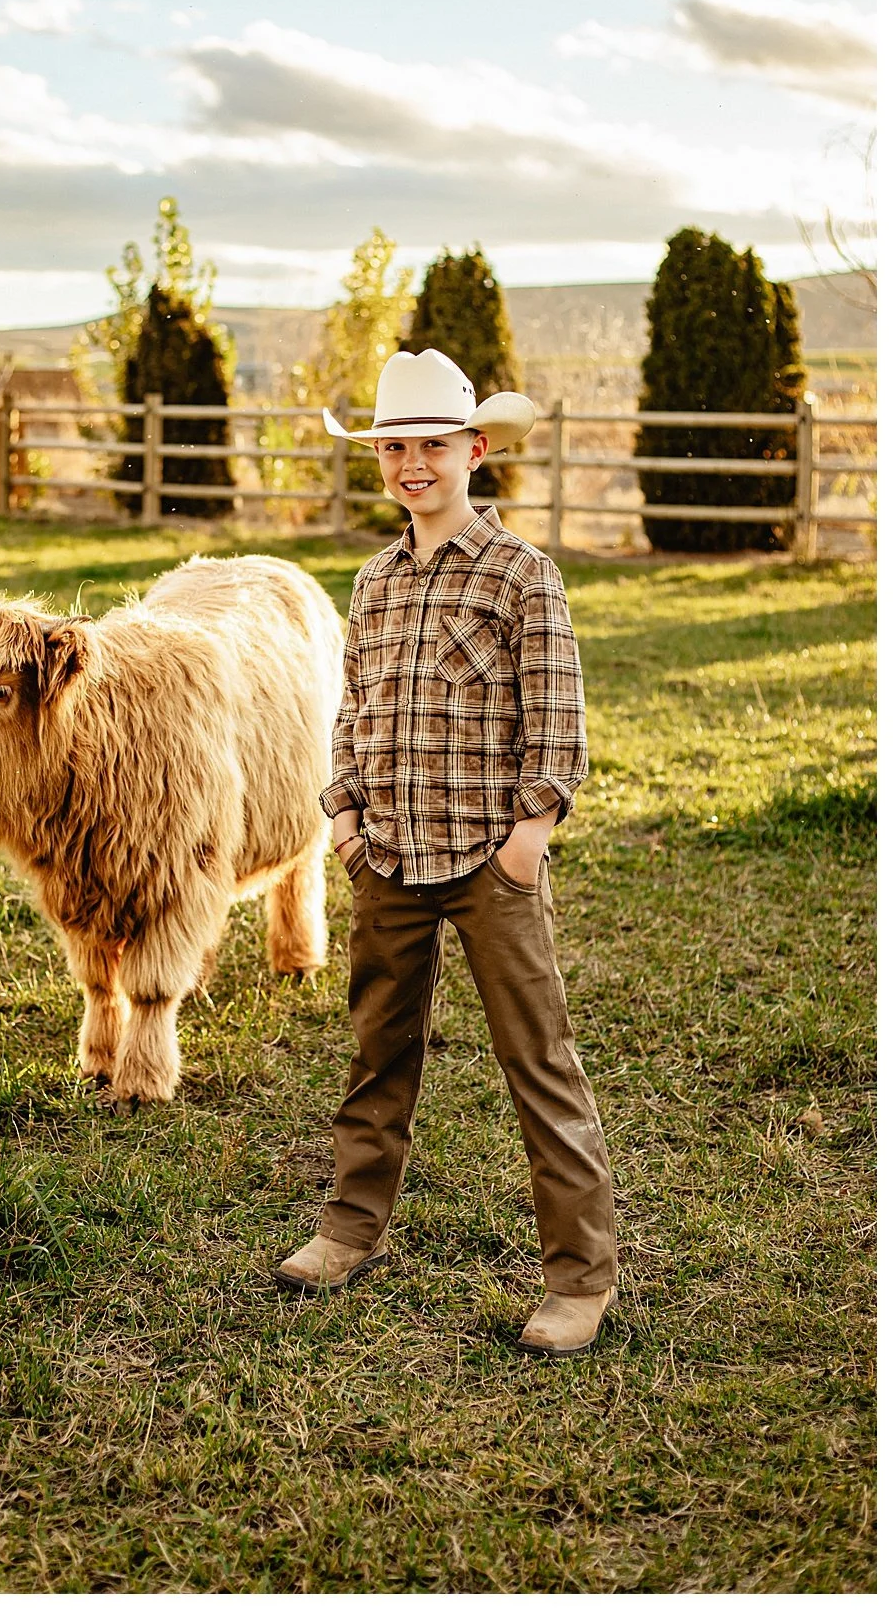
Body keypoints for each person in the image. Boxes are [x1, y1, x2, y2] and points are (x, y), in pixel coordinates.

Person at [277, 347, 612, 1358]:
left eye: (431, 445)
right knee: (377, 1050)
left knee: (537, 1058)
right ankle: (351, 1226)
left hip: (486, 859)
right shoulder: (374, 581)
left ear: (474, 451)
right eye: (394, 448)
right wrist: (346, 820)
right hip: (386, 855)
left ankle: (579, 1277)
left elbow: (557, 720)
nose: (412, 464)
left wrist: (527, 840)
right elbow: (353, 712)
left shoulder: (521, 574)